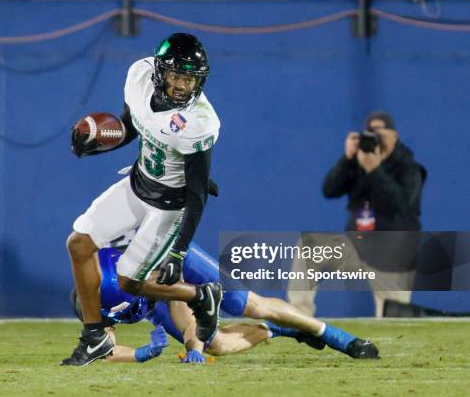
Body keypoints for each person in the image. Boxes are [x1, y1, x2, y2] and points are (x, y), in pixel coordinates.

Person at [62, 33, 223, 366]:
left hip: (170, 206)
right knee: (79, 244)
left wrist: (178, 251)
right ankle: (94, 338)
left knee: (130, 282)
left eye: (189, 78)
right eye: (176, 75)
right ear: (159, 72)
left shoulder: (200, 122)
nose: (181, 85)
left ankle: (200, 294)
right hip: (138, 184)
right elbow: (132, 125)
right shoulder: (140, 76)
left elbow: (196, 193)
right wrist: (96, 143)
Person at [69, 243, 379, 364]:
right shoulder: (95, 305)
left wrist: (193, 348)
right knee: (216, 343)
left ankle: (337, 337)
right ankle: (279, 330)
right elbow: (103, 350)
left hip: (175, 261)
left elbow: (187, 317)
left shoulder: (141, 269)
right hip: (156, 292)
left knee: (249, 305)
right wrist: (140, 354)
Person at [288, 112, 427, 317]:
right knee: (309, 246)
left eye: (381, 130)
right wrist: (346, 158)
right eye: (371, 131)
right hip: (357, 247)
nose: (376, 135)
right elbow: (329, 190)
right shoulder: (358, 161)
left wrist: (375, 170)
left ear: (395, 135)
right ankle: (298, 317)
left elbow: (400, 205)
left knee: (394, 319)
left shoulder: (409, 168)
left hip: (392, 254)